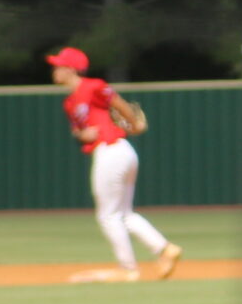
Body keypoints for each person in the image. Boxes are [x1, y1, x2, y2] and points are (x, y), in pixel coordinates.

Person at [47, 46, 183, 282]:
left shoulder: (93, 86)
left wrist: (134, 123)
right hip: (113, 152)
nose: (54, 70)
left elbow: (117, 102)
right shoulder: (69, 102)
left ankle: (127, 268)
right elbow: (78, 131)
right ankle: (165, 249)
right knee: (124, 214)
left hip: (112, 149)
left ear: (70, 69)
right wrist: (82, 135)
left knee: (107, 216)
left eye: (58, 65)